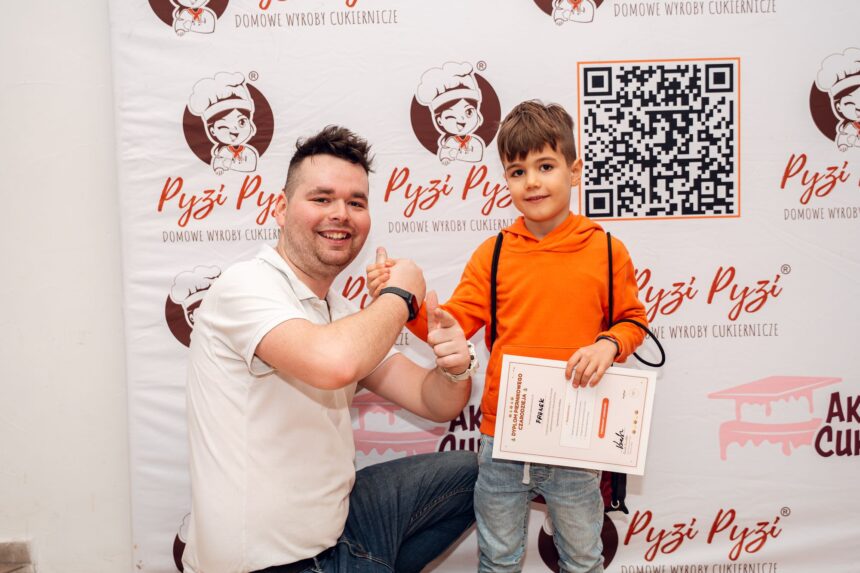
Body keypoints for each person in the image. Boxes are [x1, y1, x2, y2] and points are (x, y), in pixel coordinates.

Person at [182, 125, 479, 573]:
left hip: (337, 534)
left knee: (478, 473)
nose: (341, 214)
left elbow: (434, 401)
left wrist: (455, 368)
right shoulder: (245, 285)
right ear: (281, 209)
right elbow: (334, 363)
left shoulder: (338, 311)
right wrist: (400, 296)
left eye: (356, 203)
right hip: (272, 565)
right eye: (322, 199)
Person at [368, 101, 649, 572]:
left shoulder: (606, 250)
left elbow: (633, 322)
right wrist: (400, 300)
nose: (532, 182)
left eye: (545, 167)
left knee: (583, 558)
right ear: (506, 180)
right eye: (518, 172)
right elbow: (451, 326)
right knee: (498, 559)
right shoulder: (494, 253)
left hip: (574, 439)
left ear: (574, 171)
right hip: (502, 439)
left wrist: (609, 344)